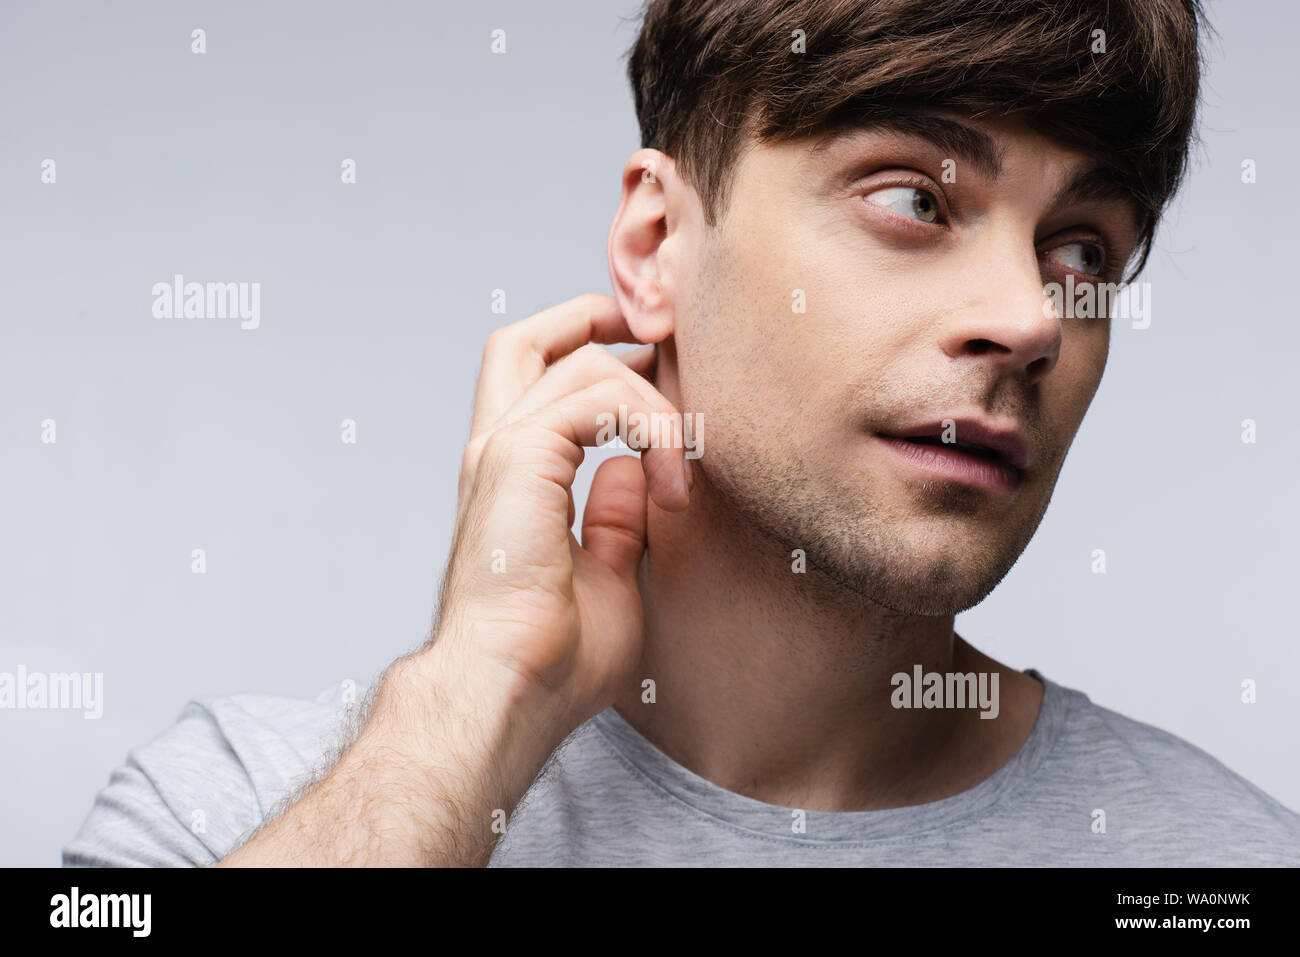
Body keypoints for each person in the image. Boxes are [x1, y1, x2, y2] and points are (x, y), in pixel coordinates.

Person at [64, 0, 1300, 867]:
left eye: (1082, 250)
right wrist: (473, 707)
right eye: (915, 198)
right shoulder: (228, 808)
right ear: (658, 247)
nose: (1031, 318)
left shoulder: (1217, 869)